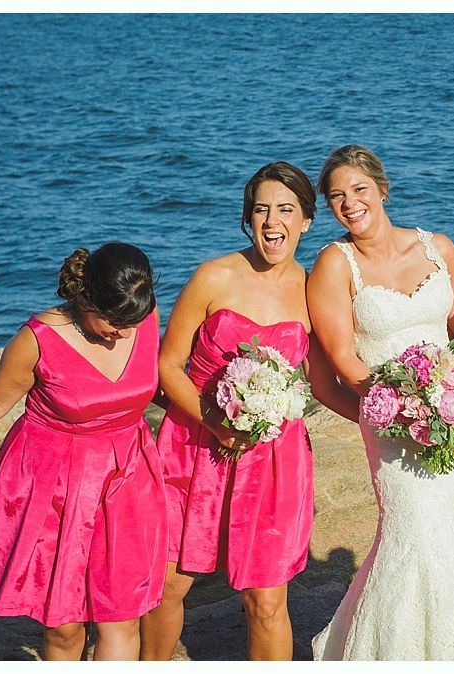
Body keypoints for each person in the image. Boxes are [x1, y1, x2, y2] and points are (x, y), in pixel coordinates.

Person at [306, 144, 454, 660]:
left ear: (382, 190)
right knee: (415, 539)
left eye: (359, 190)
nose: (350, 203)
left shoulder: (438, 248)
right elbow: (343, 358)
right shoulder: (333, 265)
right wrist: (403, 406)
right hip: (393, 424)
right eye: (337, 197)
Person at [139, 161, 359, 661]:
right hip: (193, 447)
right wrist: (211, 419)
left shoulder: (312, 292)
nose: (271, 221)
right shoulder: (213, 276)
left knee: (265, 599)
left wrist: (385, 419)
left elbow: (324, 385)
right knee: (169, 585)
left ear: (306, 220)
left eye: (285, 209)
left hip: (273, 462)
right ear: (247, 218)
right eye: (260, 209)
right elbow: (168, 365)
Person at [0, 242, 166, 660]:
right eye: (112, 322)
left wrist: (213, 417)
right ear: (85, 298)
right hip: (54, 486)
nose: (123, 332)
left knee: (120, 615)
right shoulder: (37, 340)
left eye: (132, 321)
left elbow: (150, 385)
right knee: (64, 625)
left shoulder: (141, 318)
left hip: (129, 478)